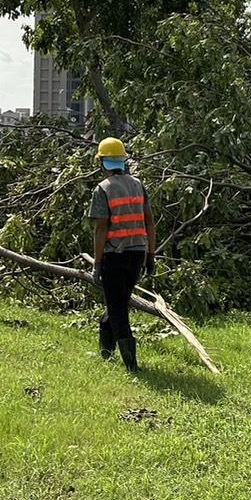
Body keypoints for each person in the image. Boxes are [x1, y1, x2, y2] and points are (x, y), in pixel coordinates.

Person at [88, 137, 156, 373]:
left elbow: (101, 228)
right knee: (116, 302)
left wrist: (97, 264)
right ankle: (105, 355)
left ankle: (131, 366)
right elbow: (149, 221)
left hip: (115, 256)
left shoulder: (103, 189)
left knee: (117, 309)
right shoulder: (138, 184)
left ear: (102, 162)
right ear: (123, 161)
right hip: (137, 254)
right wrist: (151, 255)